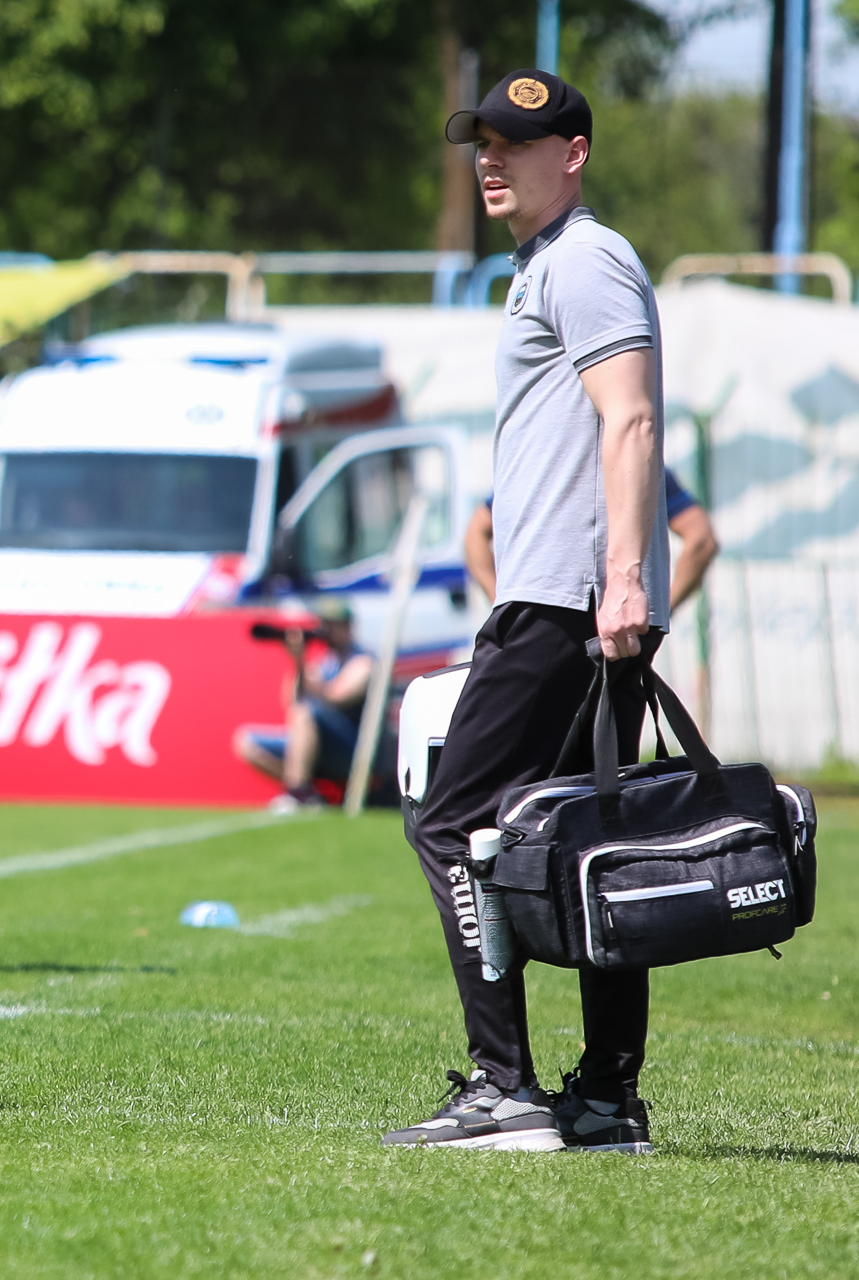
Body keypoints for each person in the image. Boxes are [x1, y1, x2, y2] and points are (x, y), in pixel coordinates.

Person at [384, 70, 671, 1152]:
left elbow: (629, 419)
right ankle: (603, 1095)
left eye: (515, 140)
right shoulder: (544, 264)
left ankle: (504, 1087)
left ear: (574, 153)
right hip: (565, 600)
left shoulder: (583, 258)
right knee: (588, 834)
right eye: (482, 140)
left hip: (565, 602)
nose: (490, 157)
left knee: (450, 819)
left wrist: (623, 578)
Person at [465, 469, 717, 610]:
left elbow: (476, 532)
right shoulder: (642, 466)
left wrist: (501, 602)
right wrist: (662, 609)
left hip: (542, 619)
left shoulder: (543, 467)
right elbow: (702, 540)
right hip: (620, 626)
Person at [232, 598, 373, 812]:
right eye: (323, 624)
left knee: (305, 713)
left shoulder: (363, 662)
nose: (326, 631)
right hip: (316, 746)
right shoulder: (325, 663)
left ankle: (298, 792)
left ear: (347, 627)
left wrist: (304, 666)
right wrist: (297, 661)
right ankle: (308, 793)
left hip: (354, 745)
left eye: (332, 625)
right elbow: (291, 701)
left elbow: (336, 697)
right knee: (246, 741)